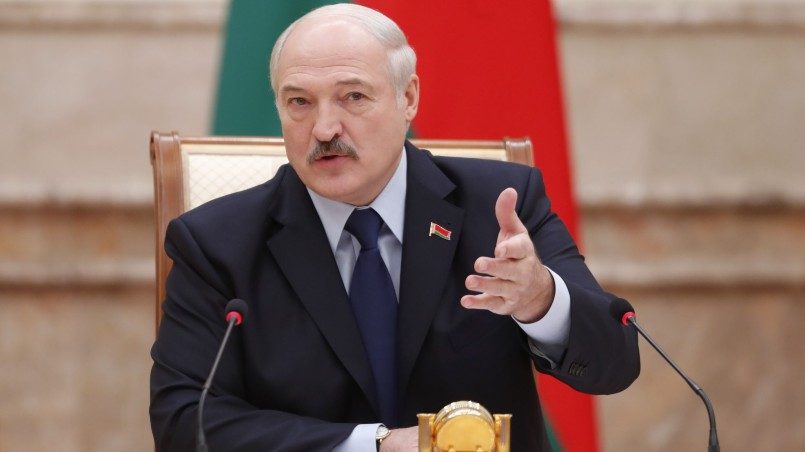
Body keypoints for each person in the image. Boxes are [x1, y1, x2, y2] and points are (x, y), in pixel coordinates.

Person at [149, 4, 639, 451]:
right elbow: (184, 422)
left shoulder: (499, 209)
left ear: (408, 98)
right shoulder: (215, 244)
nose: (324, 128)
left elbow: (615, 364)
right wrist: (374, 445)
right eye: (299, 102)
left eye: (353, 97)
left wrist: (541, 300)